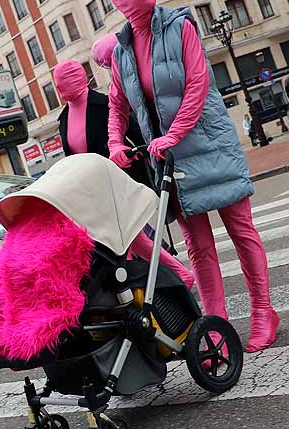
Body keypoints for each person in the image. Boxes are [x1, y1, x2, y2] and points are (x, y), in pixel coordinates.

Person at [103, 0, 279, 353]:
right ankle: (216, 326)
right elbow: (117, 104)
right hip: (170, 161)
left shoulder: (180, 27)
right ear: (121, 3)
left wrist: (174, 133)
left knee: (241, 231)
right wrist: (115, 142)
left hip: (210, 146)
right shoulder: (121, 52)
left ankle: (264, 312)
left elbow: (199, 83)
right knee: (198, 246)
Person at [53, 54, 195, 291]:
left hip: (114, 182)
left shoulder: (104, 105)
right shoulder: (64, 118)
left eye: (62, 82)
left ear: (76, 79)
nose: (59, 88)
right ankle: (164, 279)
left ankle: (171, 277)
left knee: (129, 240)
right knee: (125, 241)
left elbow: (137, 133)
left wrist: (146, 155)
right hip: (89, 191)